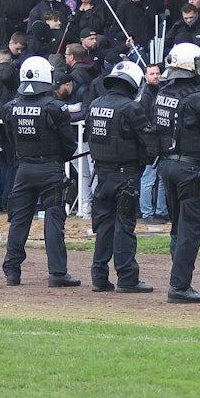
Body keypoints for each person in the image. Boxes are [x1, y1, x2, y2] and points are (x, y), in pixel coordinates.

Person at [154, 42, 200, 303]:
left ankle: (179, 278)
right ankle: (180, 285)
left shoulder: (163, 94)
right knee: (190, 229)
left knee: (177, 226)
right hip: (189, 168)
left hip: (167, 165)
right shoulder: (198, 98)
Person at [2, 56, 80, 287]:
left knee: (19, 220)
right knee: (54, 219)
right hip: (50, 168)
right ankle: (57, 273)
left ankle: (12, 271)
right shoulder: (56, 107)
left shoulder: (11, 108)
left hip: (24, 168)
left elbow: (11, 140)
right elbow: (70, 145)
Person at [87, 61, 156, 293]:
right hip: (126, 176)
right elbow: (148, 142)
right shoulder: (131, 108)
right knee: (125, 227)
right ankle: (127, 277)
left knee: (104, 226)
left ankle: (98, 276)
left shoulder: (95, 104)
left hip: (102, 176)